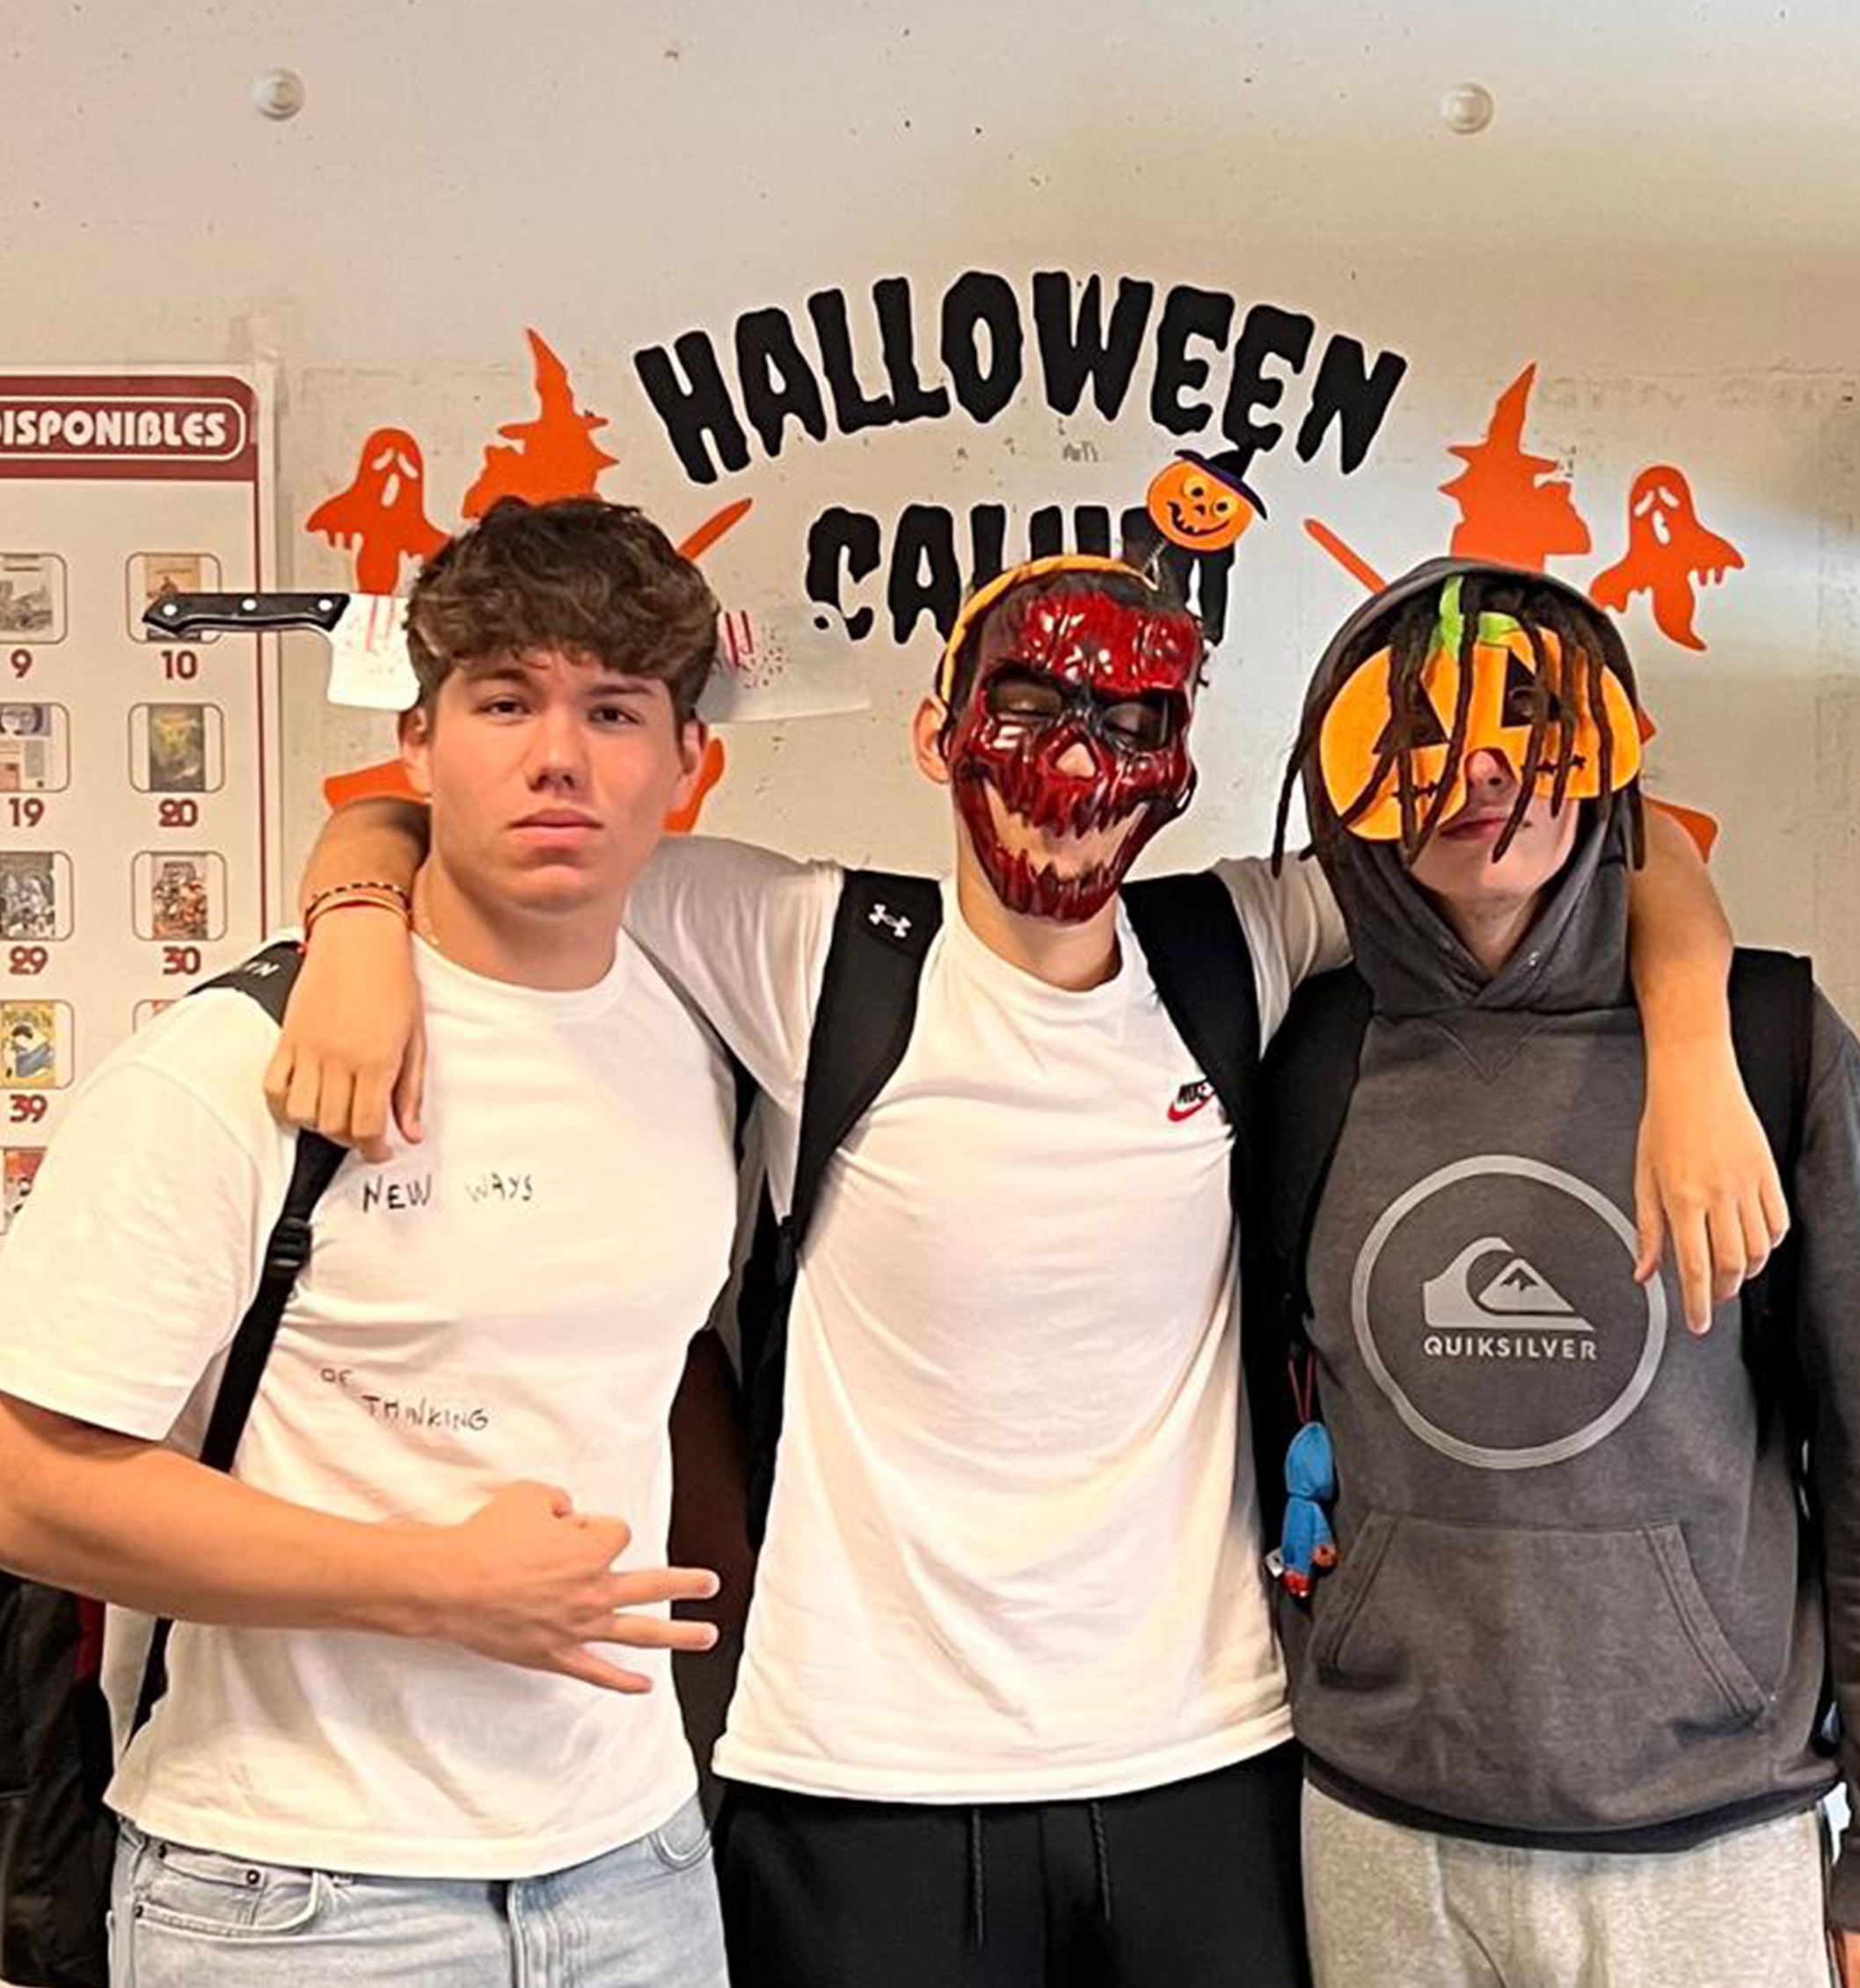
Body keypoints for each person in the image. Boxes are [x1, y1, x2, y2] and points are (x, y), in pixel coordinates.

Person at [282, 550, 1782, 1988]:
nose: (1078, 765)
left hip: (1202, 1759)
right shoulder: (809, 944)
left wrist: (1697, 1051)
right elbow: (435, 822)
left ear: (1179, 764)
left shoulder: (1235, 942)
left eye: (1130, 722)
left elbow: (1620, 835)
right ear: (938, 732)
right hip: (861, 1775)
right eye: (1032, 709)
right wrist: (354, 930)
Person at [0, 496, 742, 1988]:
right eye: (504, 701)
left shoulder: (699, 1025)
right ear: (416, 741)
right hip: (292, 1891)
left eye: (612, 709)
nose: (558, 757)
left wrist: (357, 887)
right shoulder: (231, 1066)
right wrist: (432, 1584)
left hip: (637, 1870)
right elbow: (25, 1486)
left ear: (685, 762)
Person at [1265, 557, 1860, 1988]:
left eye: (1525, 716)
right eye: (1418, 734)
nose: (1480, 771)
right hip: (1383, 1828)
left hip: (1711, 1835)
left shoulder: (1767, 1043)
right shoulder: (1315, 1058)